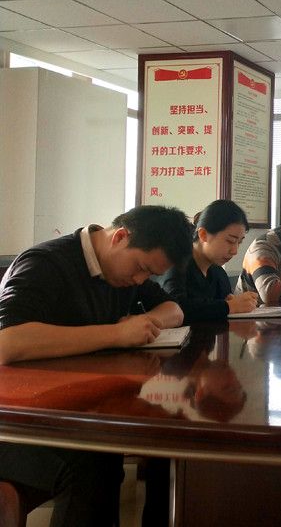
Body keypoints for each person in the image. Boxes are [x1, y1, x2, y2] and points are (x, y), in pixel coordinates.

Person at [0, 205, 194, 527]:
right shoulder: (45, 263)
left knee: (149, 442)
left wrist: (147, 320)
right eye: (141, 268)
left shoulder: (124, 272)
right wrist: (115, 334)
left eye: (148, 275)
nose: (140, 280)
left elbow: (174, 309)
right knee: (90, 465)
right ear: (120, 237)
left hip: (69, 408)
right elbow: (7, 343)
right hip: (15, 420)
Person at [158, 199, 258, 322]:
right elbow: (175, 308)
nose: (235, 251)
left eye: (239, 242)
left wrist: (232, 303)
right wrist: (228, 306)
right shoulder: (175, 264)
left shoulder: (218, 273)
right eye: (230, 241)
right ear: (203, 234)